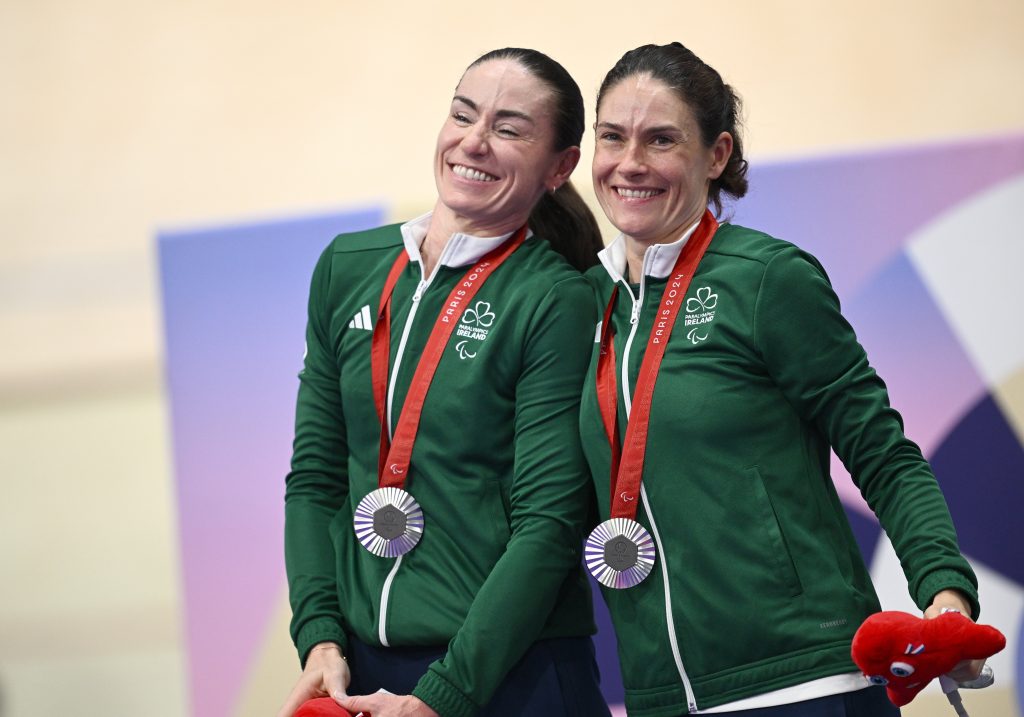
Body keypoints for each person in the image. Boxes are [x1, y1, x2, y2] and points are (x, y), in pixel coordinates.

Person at [578, 42, 983, 716]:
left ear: (716, 155)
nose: (630, 162)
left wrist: (946, 594)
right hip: (661, 697)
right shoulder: (584, 303)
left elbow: (882, 453)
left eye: (661, 139)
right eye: (613, 137)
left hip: (805, 681)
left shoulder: (766, 278)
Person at [278, 48, 611, 717]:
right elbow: (314, 478)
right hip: (365, 667)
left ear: (560, 167)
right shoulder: (348, 267)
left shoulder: (554, 299)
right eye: (463, 114)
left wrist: (444, 695)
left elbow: (547, 525)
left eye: (509, 129)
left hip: (512, 673)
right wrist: (319, 636)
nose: (474, 141)